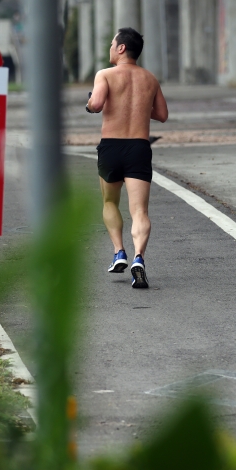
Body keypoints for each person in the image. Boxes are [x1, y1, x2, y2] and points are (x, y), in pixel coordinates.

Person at [86, 28, 168, 289]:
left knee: (110, 202)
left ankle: (119, 251)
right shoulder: (150, 79)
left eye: (112, 44)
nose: (110, 48)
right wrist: (139, 108)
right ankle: (138, 258)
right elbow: (162, 114)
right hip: (139, 148)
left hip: (111, 147)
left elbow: (97, 104)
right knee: (139, 211)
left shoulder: (105, 75)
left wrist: (89, 103)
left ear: (121, 48)